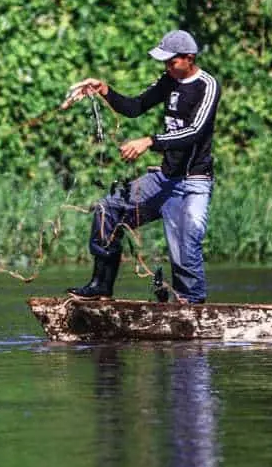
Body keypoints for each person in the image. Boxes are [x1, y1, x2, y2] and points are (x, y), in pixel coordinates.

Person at [61, 29, 221, 303]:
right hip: (164, 179)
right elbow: (135, 107)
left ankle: (192, 307)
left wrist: (149, 141)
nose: (167, 67)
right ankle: (101, 286)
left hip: (194, 182)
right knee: (108, 209)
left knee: (186, 246)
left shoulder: (208, 86)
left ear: (189, 58)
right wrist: (104, 90)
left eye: (172, 62)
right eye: (164, 63)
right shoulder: (167, 80)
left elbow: (194, 132)